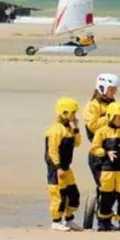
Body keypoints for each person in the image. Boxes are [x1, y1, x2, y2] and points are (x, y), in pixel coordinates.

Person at [90, 101, 120, 231]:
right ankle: (103, 221)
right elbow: (94, 148)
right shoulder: (102, 132)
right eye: (119, 117)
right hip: (107, 170)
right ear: (111, 117)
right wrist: (105, 153)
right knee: (106, 196)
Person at [82, 73, 119, 228]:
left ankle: (106, 217)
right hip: (99, 152)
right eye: (111, 89)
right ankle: (103, 220)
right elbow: (92, 125)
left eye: (115, 89)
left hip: (114, 150)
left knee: (115, 189)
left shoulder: (113, 103)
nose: (114, 92)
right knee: (105, 187)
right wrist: (111, 117)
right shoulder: (92, 106)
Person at [44, 97, 83, 231]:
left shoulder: (69, 130)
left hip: (67, 168)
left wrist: (76, 128)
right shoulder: (55, 130)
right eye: (73, 113)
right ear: (64, 113)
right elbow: (52, 151)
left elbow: (77, 143)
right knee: (59, 196)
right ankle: (56, 220)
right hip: (57, 168)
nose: (74, 116)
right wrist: (58, 167)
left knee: (73, 195)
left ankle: (69, 219)